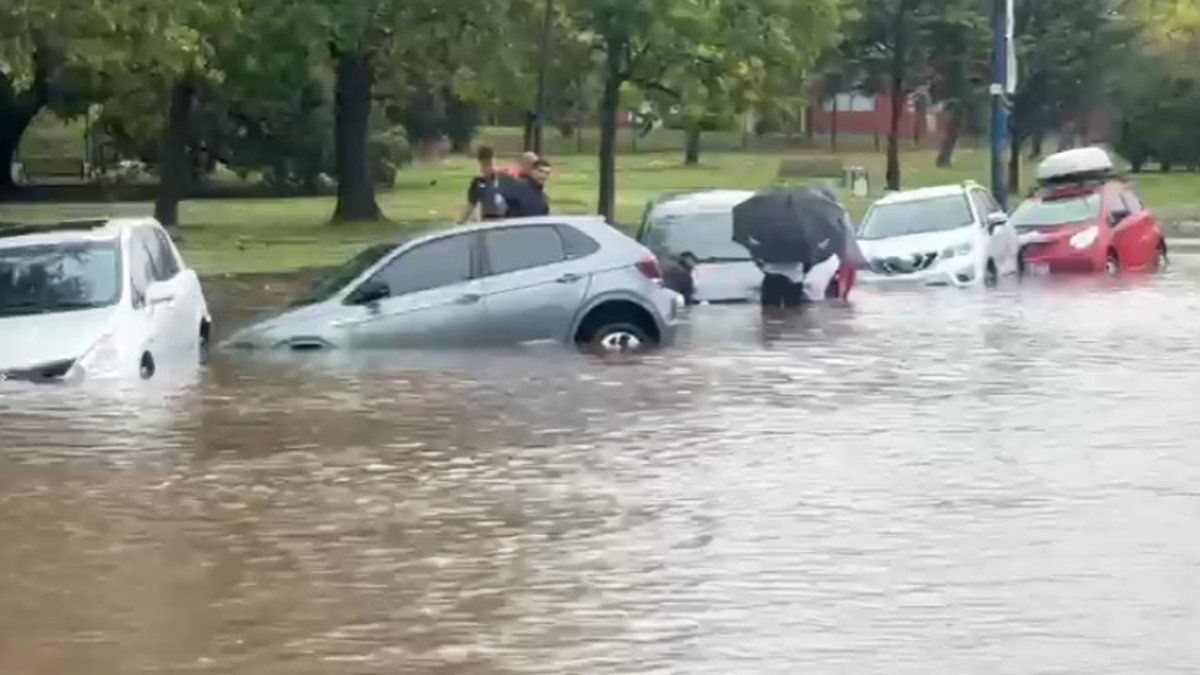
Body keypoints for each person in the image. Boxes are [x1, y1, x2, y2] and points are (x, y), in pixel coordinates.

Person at [459, 145, 508, 223]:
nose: (488, 167)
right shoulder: (479, 181)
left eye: (490, 163)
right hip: (493, 222)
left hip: (501, 222)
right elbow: (471, 205)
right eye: (486, 164)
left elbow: (471, 205)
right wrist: (461, 222)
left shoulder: (503, 176)